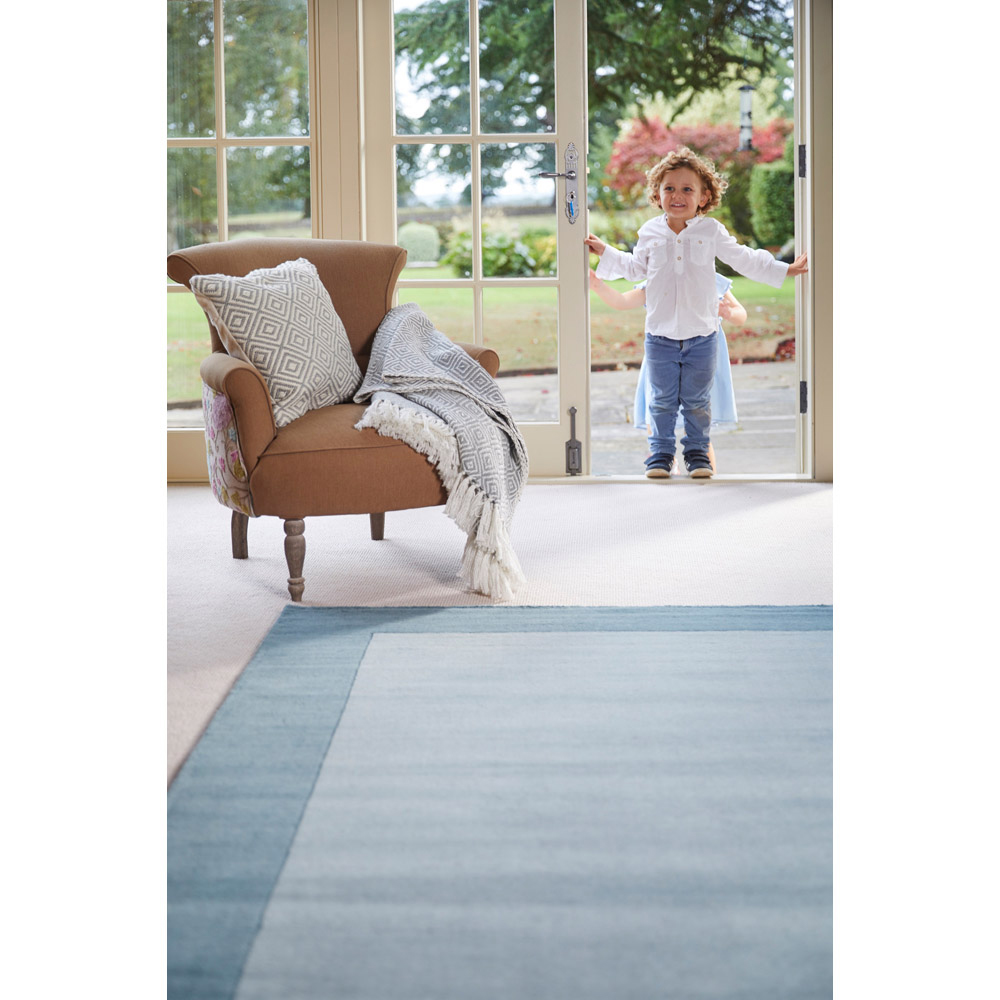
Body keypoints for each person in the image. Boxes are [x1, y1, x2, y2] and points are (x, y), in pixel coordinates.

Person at [584, 146, 808, 479]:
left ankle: (698, 455)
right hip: (659, 336)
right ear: (657, 195)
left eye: (687, 189)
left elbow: (743, 258)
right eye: (669, 188)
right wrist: (605, 251)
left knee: (697, 402)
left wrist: (784, 269)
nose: (677, 195)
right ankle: (660, 456)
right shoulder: (650, 232)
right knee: (661, 401)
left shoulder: (710, 231)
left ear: (704, 196)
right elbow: (634, 268)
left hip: (703, 337)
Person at [588, 269, 746, 474]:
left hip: (701, 360)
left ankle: (704, 473)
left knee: (698, 417)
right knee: (658, 411)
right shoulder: (659, 280)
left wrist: (728, 312)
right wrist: (598, 285)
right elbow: (622, 301)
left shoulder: (710, 279)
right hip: (662, 357)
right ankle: (666, 463)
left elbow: (740, 314)